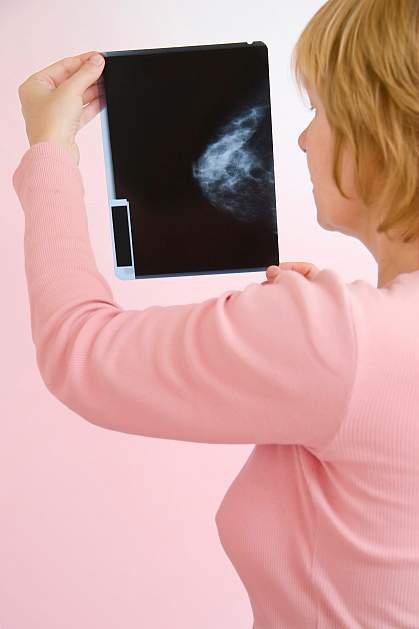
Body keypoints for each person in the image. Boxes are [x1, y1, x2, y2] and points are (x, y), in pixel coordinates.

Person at [12, 1, 419, 627]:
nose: (306, 138)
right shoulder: (358, 339)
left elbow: (79, 350)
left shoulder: (343, 340)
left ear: (384, 128)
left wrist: (50, 150)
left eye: (321, 109)